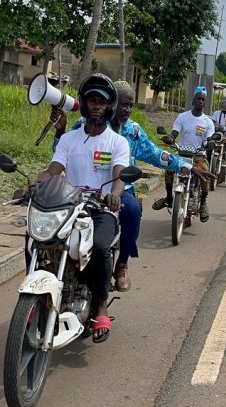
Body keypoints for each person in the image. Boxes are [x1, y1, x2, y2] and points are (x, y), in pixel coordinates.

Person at [53, 80, 196, 292]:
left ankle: (122, 264)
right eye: (123, 104)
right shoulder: (87, 124)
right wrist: (59, 131)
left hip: (121, 190)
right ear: (112, 103)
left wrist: (185, 166)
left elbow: (154, 153)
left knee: (131, 210)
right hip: (81, 192)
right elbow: (60, 156)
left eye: (131, 105)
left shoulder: (133, 131)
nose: (127, 109)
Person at [39, 73, 130, 343]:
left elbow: (120, 175)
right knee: (39, 241)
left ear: (109, 106)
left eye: (101, 101)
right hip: (68, 206)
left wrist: (114, 194)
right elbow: (54, 170)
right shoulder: (69, 140)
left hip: (101, 209)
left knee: (101, 248)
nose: (96, 105)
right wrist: (35, 184)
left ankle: (100, 305)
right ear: (84, 103)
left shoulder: (117, 142)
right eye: (91, 100)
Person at [153, 86, 216, 222]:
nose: (200, 101)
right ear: (193, 100)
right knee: (169, 167)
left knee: (204, 171)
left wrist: (210, 142)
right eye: (198, 99)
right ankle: (169, 197)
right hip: (181, 153)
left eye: (203, 100)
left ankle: (203, 202)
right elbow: (174, 132)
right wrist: (170, 138)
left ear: (205, 103)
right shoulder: (182, 117)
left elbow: (210, 137)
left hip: (198, 155)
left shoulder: (208, 122)